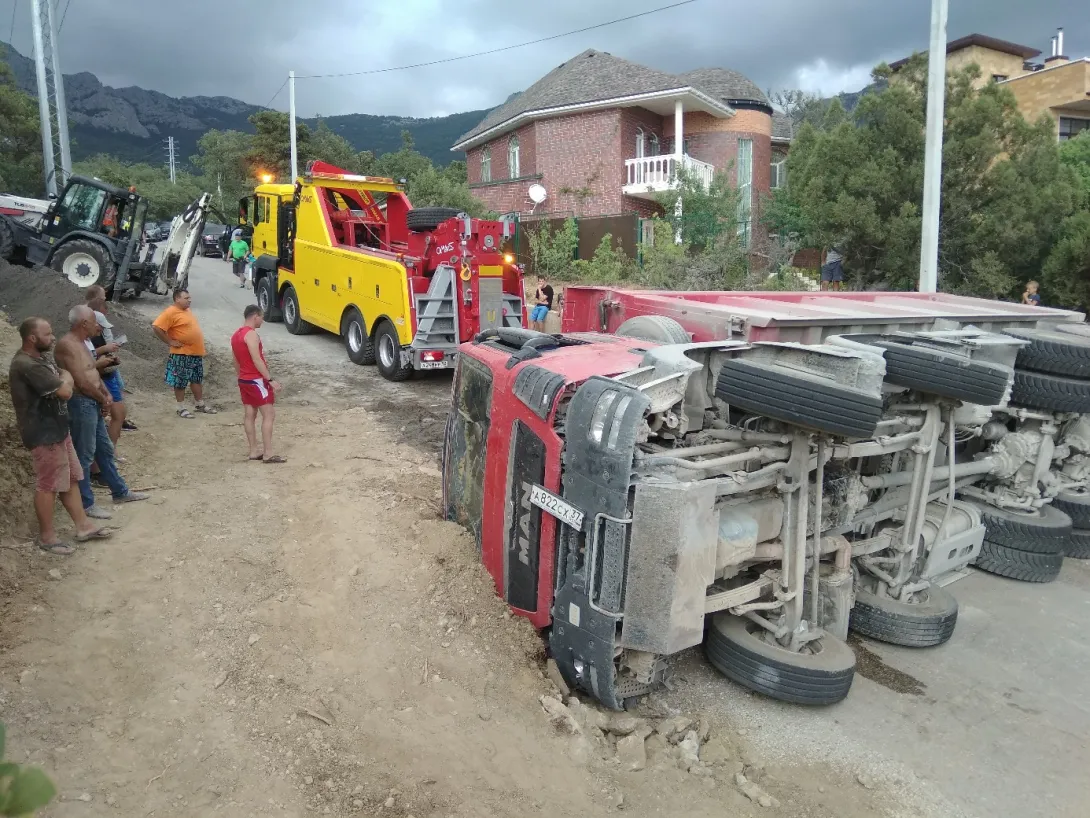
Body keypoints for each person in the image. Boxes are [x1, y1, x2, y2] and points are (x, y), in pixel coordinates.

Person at [9, 318, 113, 555]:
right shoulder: (27, 365)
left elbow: (62, 376)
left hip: (56, 429)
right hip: (43, 433)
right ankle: (47, 537)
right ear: (32, 338)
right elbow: (65, 390)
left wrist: (63, 375)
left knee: (71, 478)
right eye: (48, 334)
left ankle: (83, 526)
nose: (53, 337)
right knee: (48, 485)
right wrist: (66, 377)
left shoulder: (38, 359)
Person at [54, 306, 148, 519]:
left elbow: (93, 373)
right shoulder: (66, 345)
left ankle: (120, 491)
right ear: (84, 323)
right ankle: (87, 504)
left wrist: (105, 394)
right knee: (85, 454)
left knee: (104, 449)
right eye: (95, 322)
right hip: (81, 403)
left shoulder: (82, 344)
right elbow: (81, 381)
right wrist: (102, 398)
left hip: (92, 401)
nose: (98, 326)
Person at [231, 305, 284, 463]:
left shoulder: (235, 335)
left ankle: (253, 451)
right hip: (256, 379)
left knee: (250, 414)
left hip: (244, 379)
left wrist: (240, 376)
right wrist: (270, 379)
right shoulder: (251, 335)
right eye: (262, 317)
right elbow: (257, 359)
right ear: (255, 316)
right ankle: (268, 453)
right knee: (269, 414)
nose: (263, 320)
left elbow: (235, 360)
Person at [152, 288, 217, 418]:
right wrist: (170, 341)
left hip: (195, 353)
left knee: (196, 379)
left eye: (189, 298)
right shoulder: (170, 312)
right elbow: (156, 327)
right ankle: (181, 408)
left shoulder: (186, 310)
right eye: (186, 298)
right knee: (180, 382)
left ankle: (200, 404)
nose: (190, 300)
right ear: (177, 299)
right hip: (181, 354)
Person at [85, 286, 132, 448]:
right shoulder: (83, 341)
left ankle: (109, 453)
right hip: (102, 378)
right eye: (99, 326)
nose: (101, 330)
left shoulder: (93, 337)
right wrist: (105, 353)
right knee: (116, 415)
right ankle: (108, 454)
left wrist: (112, 359)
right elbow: (86, 361)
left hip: (106, 376)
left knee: (117, 415)